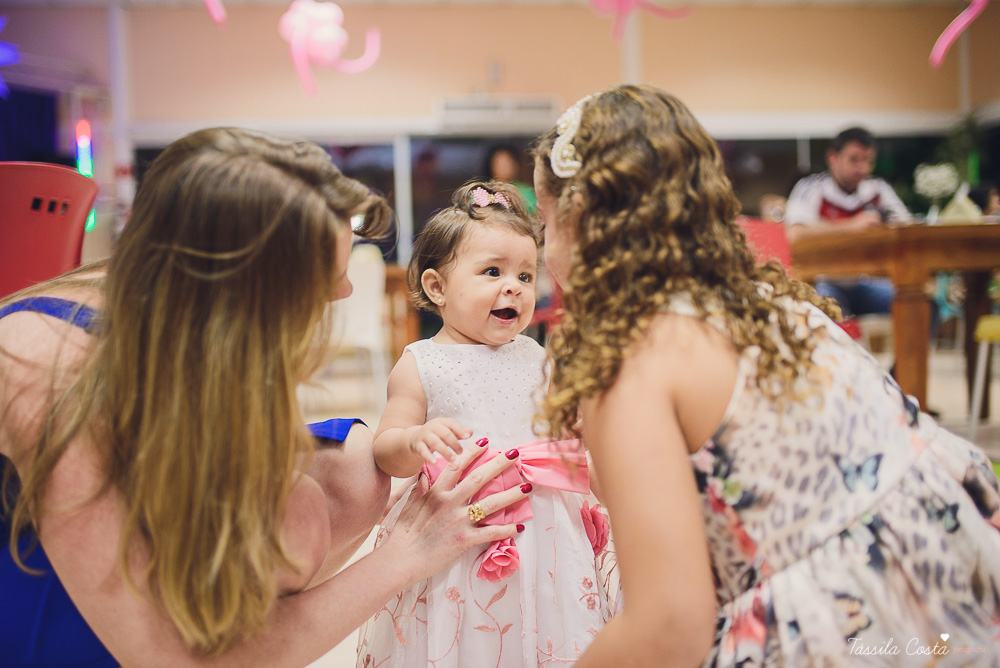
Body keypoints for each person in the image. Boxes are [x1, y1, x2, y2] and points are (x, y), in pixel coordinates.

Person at [0, 127, 530, 667]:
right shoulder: (43, 363)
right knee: (299, 520)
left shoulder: (180, 315)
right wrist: (407, 554)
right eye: (327, 277)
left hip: (148, 522)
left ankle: (249, 635)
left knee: (351, 467)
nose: (343, 292)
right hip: (45, 604)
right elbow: (166, 657)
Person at [532, 84, 1000, 666]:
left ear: (584, 222)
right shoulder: (766, 302)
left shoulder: (632, 362)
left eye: (546, 223)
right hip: (940, 564)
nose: (545, 253)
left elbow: (667, 627)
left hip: (841, 624)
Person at [355, 181, 615, 667]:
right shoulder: (422, 363)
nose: (514, 286)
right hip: (460, 525)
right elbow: (385, 448)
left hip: (545, 526)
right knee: (468, 629)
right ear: (437, 288)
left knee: (545, 619)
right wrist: (415, 439)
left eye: (524, 274)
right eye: (492, 271)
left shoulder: (537, 355)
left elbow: (560, 430)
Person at [784, 127, 910, 320]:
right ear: (832, 158)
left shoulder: (878, 188)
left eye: (868, 161)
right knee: (826, 311)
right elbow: (795, 233)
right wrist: (852, 225)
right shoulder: (811, 187)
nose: (863, 168)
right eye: (854, 159)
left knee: (918, 303)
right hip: (823, 281)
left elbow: (906, 227)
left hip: (867, 281)